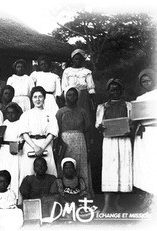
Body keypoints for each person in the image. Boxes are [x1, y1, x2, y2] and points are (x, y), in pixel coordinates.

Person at [96, 79, 132, 213]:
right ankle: (106, 205)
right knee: (109, 170)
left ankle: (116, 203)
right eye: (112, 90)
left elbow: (132, 122)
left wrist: (130, 128)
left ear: (121, 91)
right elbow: (98, 124)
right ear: (108, 92)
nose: (114, 92)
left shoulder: (128, 105)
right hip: (110, 142)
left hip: (123, 142)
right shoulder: (102, 107)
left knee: (122, 170)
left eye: (117, 89)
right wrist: (100, 127)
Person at [18, 86, 58, 202]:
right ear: (31, 99)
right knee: (28, 171)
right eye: (35, 97)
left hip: (45, 145)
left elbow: (52, 132)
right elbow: (24, 132)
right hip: (30, 145)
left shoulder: (50, 114)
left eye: (40, 96)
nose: (38, 99)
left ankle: (50, 203)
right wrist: (35, 147)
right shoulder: (26, 114)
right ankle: (26, 203)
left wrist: (42, 147)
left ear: (44, 98)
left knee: (48, 170)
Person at [56, 86, 93, 196]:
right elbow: (56, 130)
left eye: (74, 95)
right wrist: (58, 145)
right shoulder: (60, 112)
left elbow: (87, 130)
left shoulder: (83, 111)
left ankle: (83, 194)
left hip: (80, 142)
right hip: (65, 142)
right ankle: (66, 194)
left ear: (78, 96)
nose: (72, 97)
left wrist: (88, 146)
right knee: (67, 166)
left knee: (81, 167)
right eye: (69, 95)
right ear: (65, 97)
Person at [133, 69, 157, 208]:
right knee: (144, 165)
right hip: (143, 135)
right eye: (143, 81)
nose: (146, 83)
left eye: (148, 80)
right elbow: (135, 118)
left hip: (155, 132)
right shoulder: (139, 98)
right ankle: (148, 197)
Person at [0, 102, 23, 200]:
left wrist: (18, 146)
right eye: (8, 113)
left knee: (14, 173)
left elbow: (22, 139)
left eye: (13, 113)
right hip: (4, 151)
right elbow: (0, 137)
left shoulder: (20, 123)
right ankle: (2, 198)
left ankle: (15, 198)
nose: (10, 115)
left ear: (17, 113)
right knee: (3, 172)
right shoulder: (4, 124)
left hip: (15, 151)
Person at [61, 49, 96, 117]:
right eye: (76, 59)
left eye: (80, 59)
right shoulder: (67, 71)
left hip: (83, 96)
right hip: (71, 95)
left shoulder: (86, 72)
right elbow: (64, 87)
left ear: (83, 60)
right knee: (71, 114)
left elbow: (91, 88)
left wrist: (93, 101)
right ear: (73, 59)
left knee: (84, 114)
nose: (78, 61)